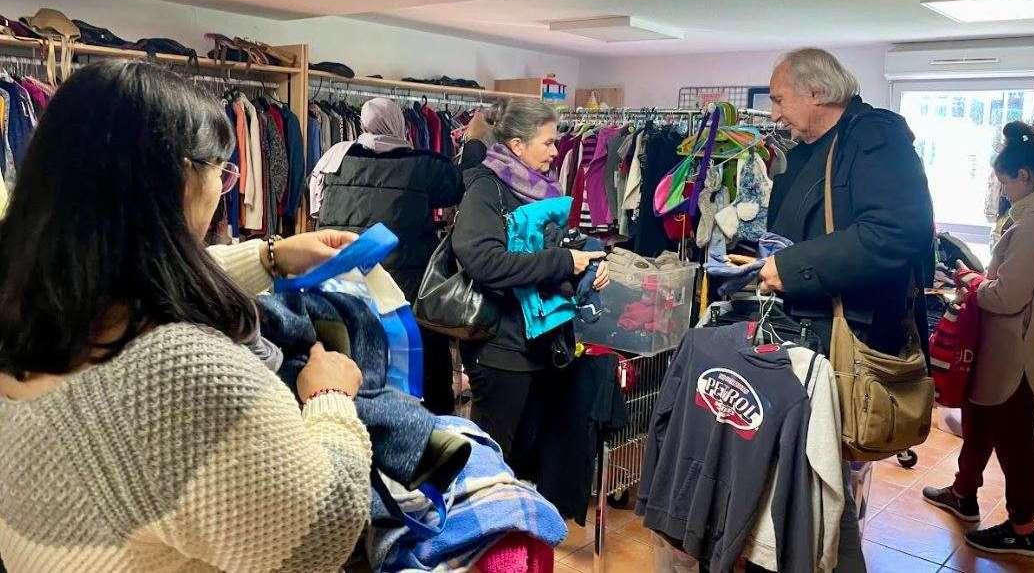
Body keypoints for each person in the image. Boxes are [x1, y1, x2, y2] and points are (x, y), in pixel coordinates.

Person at [0, 60, 373, 572]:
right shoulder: (181, 372)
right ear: (179, 178)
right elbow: (320, 534)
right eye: (221, 172)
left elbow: (130, 273)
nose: (224, 188)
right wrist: (329, 397)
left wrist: (271, 256)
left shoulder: (24, 299)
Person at [759, 47, 935, 573]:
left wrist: (791, 268)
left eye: (778, 99)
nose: (774, 113)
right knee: (808, 476)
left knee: (828, 479)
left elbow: (895, 233)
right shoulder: (813, 145)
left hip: (843, 340)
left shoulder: (875, 139)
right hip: (805, 333)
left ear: (816, 93)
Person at [923, 122, 1034, 558]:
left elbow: (1004, 297)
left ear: (1024, 176)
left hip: (1014, 347)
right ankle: (964, 494)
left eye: (1004, 182)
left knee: (1014, 437)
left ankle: (1023, 529)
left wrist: (970, 279)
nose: (1003, 191)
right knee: (981, 415)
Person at [451, 97, 608, 470]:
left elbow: (558, 246)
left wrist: (590, 263)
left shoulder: (541, 189)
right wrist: (564, 261)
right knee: (492, 463)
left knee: (524, 456)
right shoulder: (487, 190)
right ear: (518, 146)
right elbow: (484, 261)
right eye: (548, 142)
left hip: (540, 344)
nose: (556, 151)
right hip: (501, 348)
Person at [311, 97, 463, 415]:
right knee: (422, 376)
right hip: (407, 292)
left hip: (347, 287)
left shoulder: (333, 159)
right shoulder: (424, 165)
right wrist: (473, 143)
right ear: (399, 123)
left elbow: (315, 209)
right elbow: (457, 187)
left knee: (354, 370)